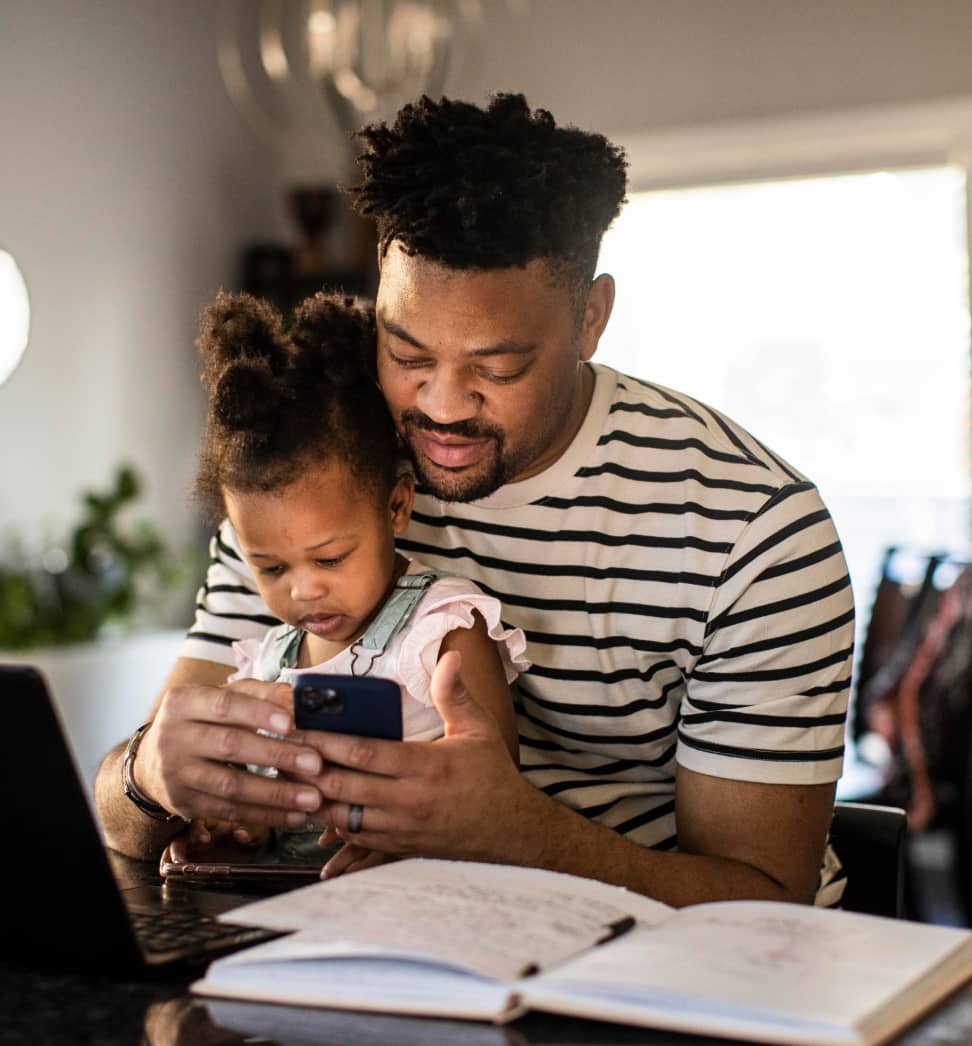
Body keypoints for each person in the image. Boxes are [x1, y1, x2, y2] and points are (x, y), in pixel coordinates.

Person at [95, 93, 854, 908]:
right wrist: (151, 775)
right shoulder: (318, 477)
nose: (444, 407)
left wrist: (517, 835)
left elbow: (766, 905)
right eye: (406, 351)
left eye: (498, 368)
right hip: (369, 939)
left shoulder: (752, 530)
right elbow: (120, 819)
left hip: (649, 976)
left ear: (591, 318)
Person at [129, 288, 525, 877]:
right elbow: (256, 794)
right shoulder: (267, 662)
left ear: (396, 507)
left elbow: (494, 798)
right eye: (271, 568)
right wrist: (229, 827)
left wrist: (413, 841)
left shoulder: (441, 632)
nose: (303, 591)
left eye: (331, 559)